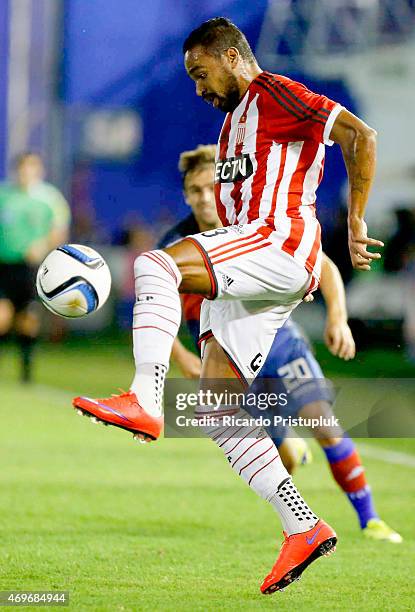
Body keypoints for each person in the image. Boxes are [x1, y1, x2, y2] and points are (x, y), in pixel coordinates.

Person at [73, 18, 383, 594]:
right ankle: (302, 526)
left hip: (279, 243)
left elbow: (360, 136)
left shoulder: (274, 92)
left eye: (201, 73)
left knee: (155, 264)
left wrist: (356, 218)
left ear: (234, 57)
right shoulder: (234, 124)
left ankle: (144, 399)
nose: (198, 88)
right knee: (217, 409)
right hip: (261, 263)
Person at [158, 143, 401, 544]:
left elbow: (321, 264)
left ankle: (370, 519)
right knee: (282, 459)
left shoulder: (253, 221)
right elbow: (161, 306)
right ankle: (292, 469)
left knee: (325, 425)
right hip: (233, 360)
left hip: (281, 342)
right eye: (194, 191)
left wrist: (337, 318)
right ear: (185, 195)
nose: (203, 197)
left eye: (209, 187)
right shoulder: (176, 246)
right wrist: (183, 354)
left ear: (223, 186)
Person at [0, 154, 61, 382]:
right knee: (2, 317)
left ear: (39, 171)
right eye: (22, 168)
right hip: (4, 264)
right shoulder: (4, 195)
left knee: (28, 319)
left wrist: (43, 245)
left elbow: (58, 230)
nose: (26, 173)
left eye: (31, 168)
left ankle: (26, 372)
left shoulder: (49, 198)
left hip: (32, 267)